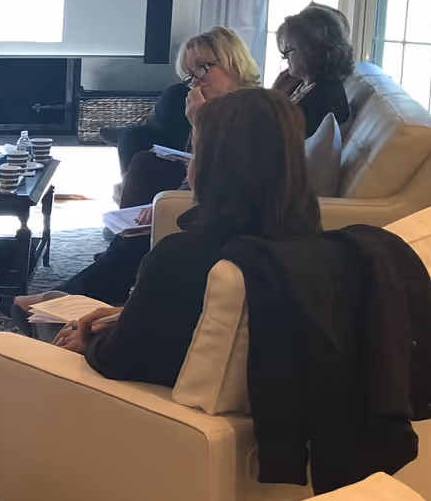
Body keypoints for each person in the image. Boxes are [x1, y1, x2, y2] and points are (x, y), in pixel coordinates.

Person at [55, 88, 323, 388]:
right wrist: (124, 316)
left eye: (195, 153)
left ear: (215, 168)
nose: (189, 164)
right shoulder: (312, 247)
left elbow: (119, 360)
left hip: (148, 404)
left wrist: (89, 341)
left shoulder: (180, 257)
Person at [22, 26, 264, 314]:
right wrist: (163, 201)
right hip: (200, 204)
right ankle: (68, 299)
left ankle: (62, 301)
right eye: (190, 75)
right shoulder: (216, 109)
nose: (196, 81)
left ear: (232, 61)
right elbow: (196, 174)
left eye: (203, 68)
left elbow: (213, 179)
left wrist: (200, 124)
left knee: (138, 235)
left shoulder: (255, 110)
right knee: (135, 221)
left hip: (229, 215)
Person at [271, 2, 354, 138]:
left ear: (311, 51)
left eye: (289, 49)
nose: (284, 56)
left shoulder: (324, 100)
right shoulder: (309, 85)